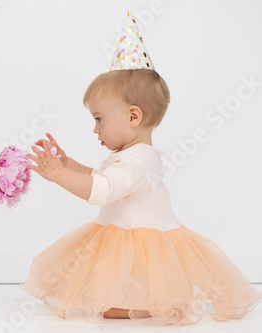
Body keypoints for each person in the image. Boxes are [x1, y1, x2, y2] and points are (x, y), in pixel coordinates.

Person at [20, 11, 262, 325]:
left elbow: (102, 191)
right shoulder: (132, 155)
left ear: (133, 117)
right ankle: (150, 301)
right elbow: (101, 178)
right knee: (107, 299)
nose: (95, 129)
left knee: (109, 305)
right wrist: (68, 164)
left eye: (99, 119)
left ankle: (162, 304)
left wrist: (57, 175)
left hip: (144, 242)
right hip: (130, 239)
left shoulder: (138, 159)